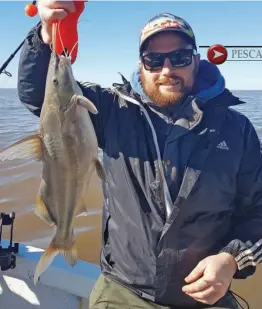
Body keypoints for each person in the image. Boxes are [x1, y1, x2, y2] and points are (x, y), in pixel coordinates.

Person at [17, 1, 262, 308]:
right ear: (141, 65)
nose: (167, 69)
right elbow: (40, 96)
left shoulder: (236, 129)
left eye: (179, 57)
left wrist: (231, 260)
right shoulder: (112, 110)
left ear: (197, 61)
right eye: (154, 60)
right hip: (123, 291)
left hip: (208, 295)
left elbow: (258, 211)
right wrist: (46, 34)